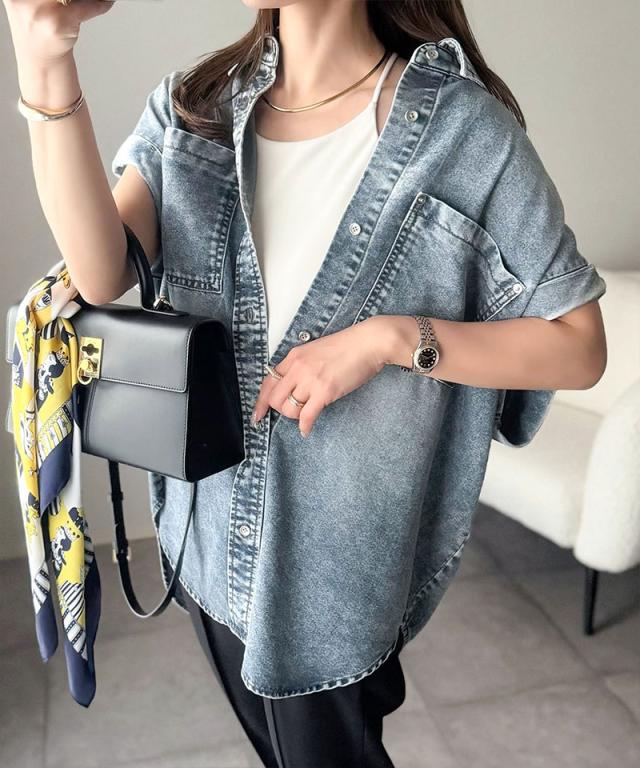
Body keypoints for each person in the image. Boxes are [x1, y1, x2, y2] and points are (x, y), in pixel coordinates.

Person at [4, 0, 608, 766]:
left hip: (338, 581)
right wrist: (45, 60)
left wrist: (391, 340)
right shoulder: (196, 109)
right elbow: (101, 271)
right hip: (207, 542)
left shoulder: (465, 134)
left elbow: (578, 347)